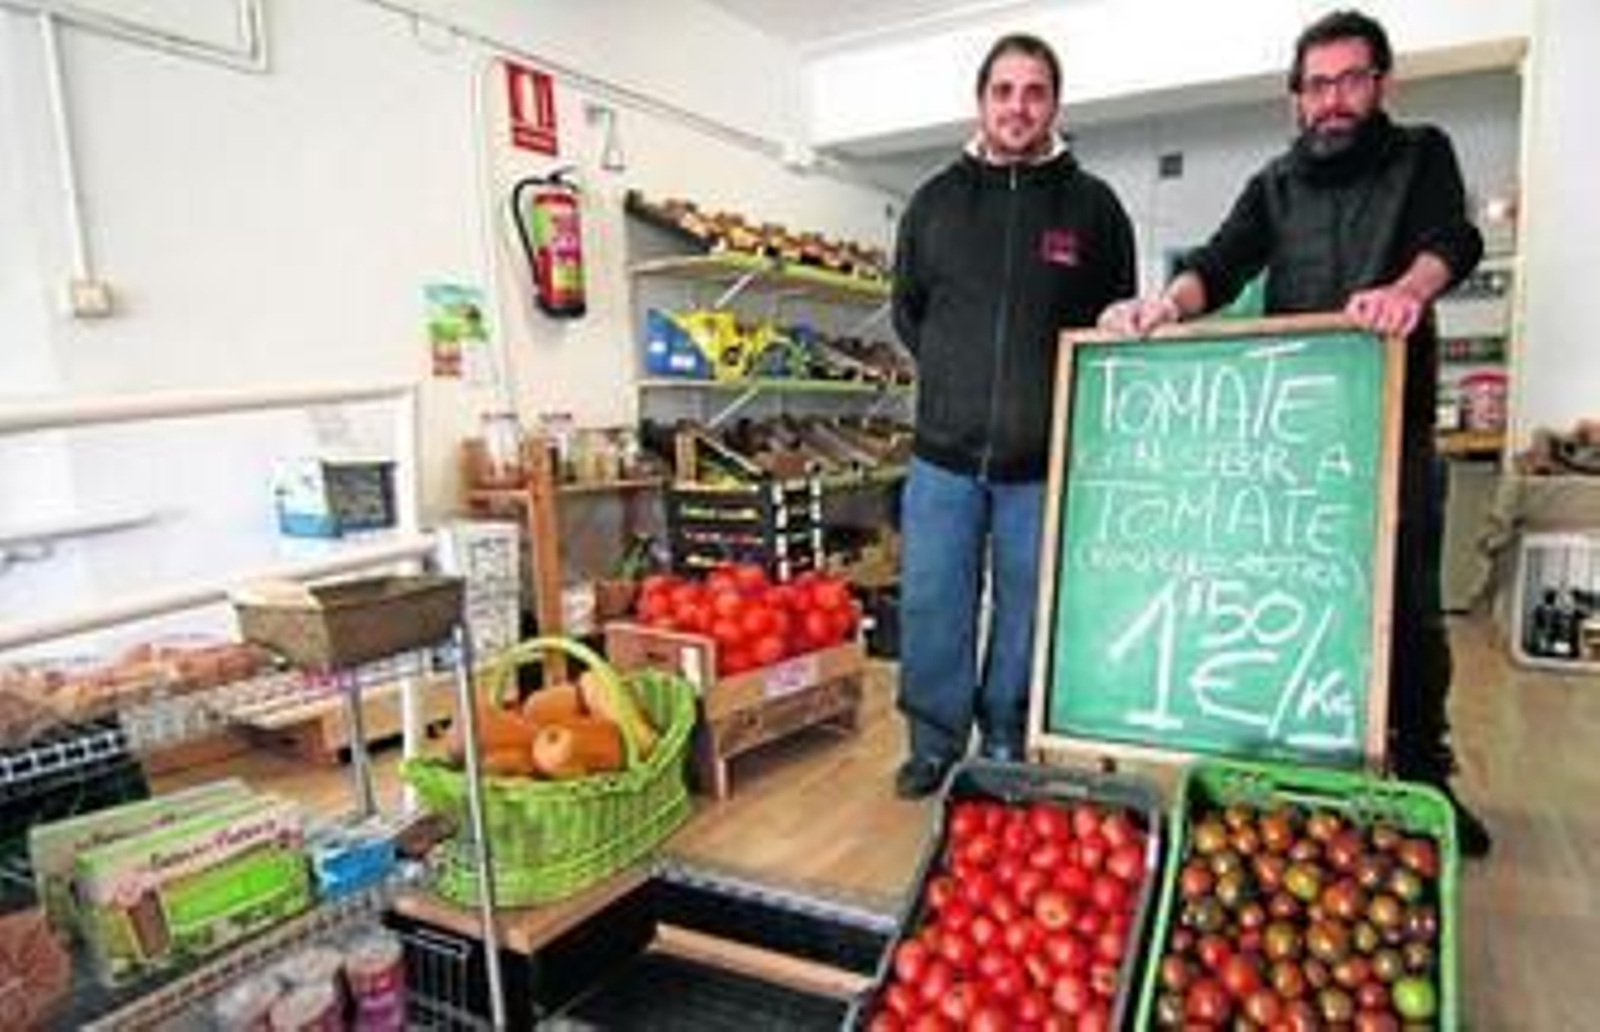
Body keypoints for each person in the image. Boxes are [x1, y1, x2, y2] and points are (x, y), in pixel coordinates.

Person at [1099, 9, 1492, 856]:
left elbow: (1452, 239)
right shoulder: (1275, 183)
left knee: (1412, 616)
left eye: (1352, 80)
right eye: (1318, 85)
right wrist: (1163, 306)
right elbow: (1221, 260)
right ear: (1296, 99)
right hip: (1295, 450)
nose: (1334, 100)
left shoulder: (1423, 153)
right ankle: (1293, 774)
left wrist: (1409, 293)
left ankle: (1426, 782)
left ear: (1381, 85)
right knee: (1299, 606)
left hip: (1395, 435)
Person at [890, 33, 1137, 798]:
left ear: (1054, 104)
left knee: (1029, 609)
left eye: (1034, 92)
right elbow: (910, 314)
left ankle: (1005, 729)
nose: (1018, 107)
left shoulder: (1093, 208)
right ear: (982, 101)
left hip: (1044, 461)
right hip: (942, 458)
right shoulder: (933, 203)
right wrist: (959, 381)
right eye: (1004, 91)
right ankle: (934, 741)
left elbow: (1111, 323)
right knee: (934, 602)